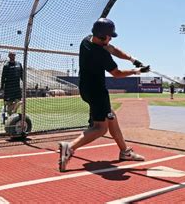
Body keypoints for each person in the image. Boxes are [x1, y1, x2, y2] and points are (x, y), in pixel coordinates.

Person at [58, 18, 150, 172]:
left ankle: (125, 151)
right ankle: (70, 147)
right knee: (101, 128)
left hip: (86, 89)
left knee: (111, 117)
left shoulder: (86, 40)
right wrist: (137, 71)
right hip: (97, 92)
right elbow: (117, 73)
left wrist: (133, 60)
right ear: (102, 37)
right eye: (109, 36)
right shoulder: (100, 54)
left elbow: (113, 49)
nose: (111, 39)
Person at [1, 51, 23, 116]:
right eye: (11, 55)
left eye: (13, 55)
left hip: (17, 88)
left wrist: (24, 83)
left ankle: (14, 111)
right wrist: (2, 88)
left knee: (19, 102)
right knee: (8, 105)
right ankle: (9, 116)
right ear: (9, 56)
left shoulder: (19, 64)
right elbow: (3, 77)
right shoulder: (6, 65)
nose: (12, 56)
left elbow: (22, 75)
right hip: (9, 89)